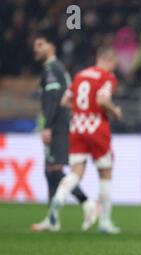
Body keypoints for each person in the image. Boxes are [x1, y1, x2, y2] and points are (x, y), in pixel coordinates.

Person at [31, 46, 123, 234]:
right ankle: (105, 222)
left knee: (74, 173)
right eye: (115, 64)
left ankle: (54, 210)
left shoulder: (81, 75)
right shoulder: (108, 77)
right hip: (97, 128)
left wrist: (81, 112)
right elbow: (103, 99)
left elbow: (65, 101)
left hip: (77, 128)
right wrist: (115, 112)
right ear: (110, 60)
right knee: (105, 174)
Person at [31, 33, 97, 232]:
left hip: (58, 127)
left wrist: (48, 126)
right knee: (50, 171)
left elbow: (53, 100)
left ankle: (88, 204)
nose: (36, 49)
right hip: (60, 125)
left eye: (40, 44)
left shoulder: (52, 69)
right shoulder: (56, 69)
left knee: (57, 171)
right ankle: (52, 220)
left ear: (51, 47)